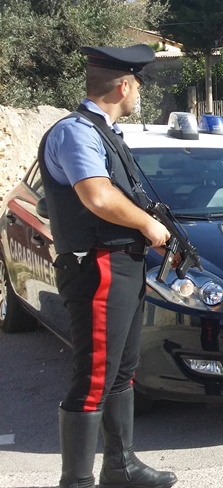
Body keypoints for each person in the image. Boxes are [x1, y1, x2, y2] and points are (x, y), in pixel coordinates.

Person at [39, 44, 177, 488]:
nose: (138, 93)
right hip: (97, 265)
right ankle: (76, 482)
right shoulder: (76, 132)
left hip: (122, 264)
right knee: (94, 377)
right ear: (123, 86)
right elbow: (97, 196)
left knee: (120, 372)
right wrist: (148, 225)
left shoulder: (105, 133)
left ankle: (121, 468)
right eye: (137, 85)